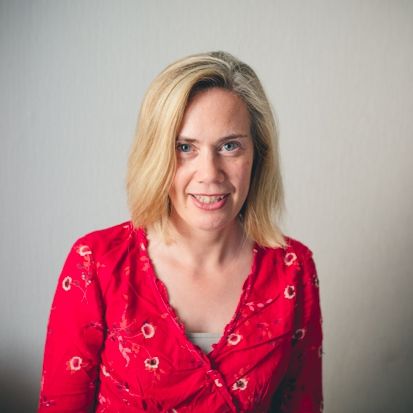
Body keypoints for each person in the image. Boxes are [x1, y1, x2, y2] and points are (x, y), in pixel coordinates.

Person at [38, 51, 323, 413]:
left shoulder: (293, 268)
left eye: (230, 146)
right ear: (156, 154)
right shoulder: (97, 263)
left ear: (257, 155)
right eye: (185, 147)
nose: (210, 174)